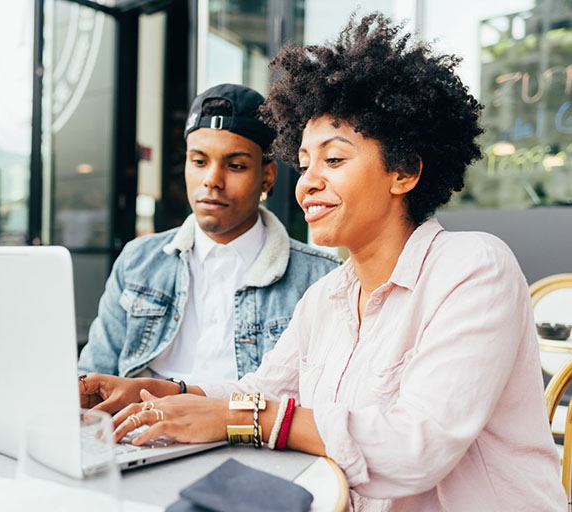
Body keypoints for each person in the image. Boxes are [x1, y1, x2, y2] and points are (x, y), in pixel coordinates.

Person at [107, 13, 567, 511]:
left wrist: (242, 419)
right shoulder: (327, 296)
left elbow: (417, 445)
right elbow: (259, 389)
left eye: (333, 160)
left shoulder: (474, 268)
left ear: (405, 171)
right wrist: (165, 389)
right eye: (304, 165)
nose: (307, 183)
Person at [77, 83, 340, 412]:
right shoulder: (138, 260)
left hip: (248, 439)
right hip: (135, 435)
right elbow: (92, 374)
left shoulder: (320, 278)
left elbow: (314, 406)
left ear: (267, 178)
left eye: (236, 166)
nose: (212, 180)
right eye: (199, 161)